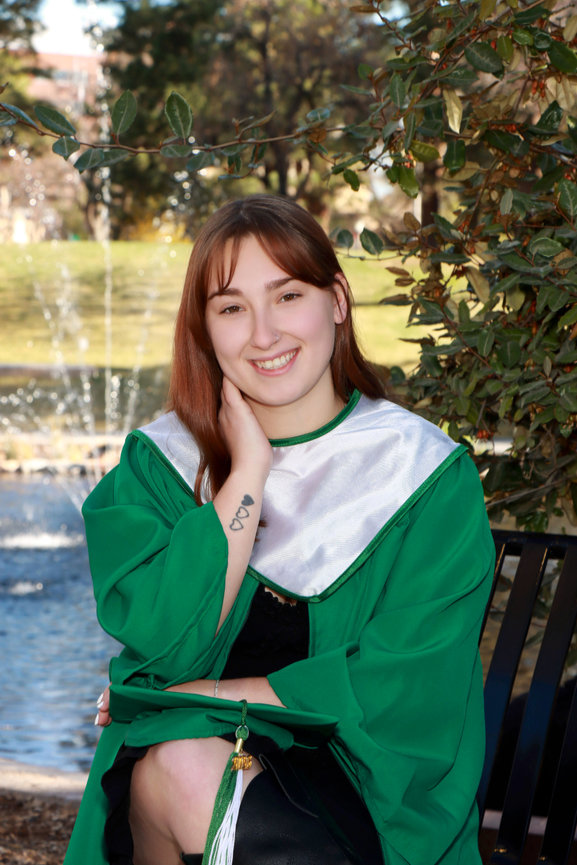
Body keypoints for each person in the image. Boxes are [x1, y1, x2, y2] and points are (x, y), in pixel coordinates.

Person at [64, 194, 495, 865]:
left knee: (186, 759)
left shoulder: (422, 475)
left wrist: (215, 697)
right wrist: (247, 474)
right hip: (180, 781)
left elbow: (407, 683)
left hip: (365, 794)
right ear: (205, 329)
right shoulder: (160, 466)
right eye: (231, 308)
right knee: (180, 762)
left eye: (288, 296)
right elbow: (165, 648)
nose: (263, 334)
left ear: (337, 300)